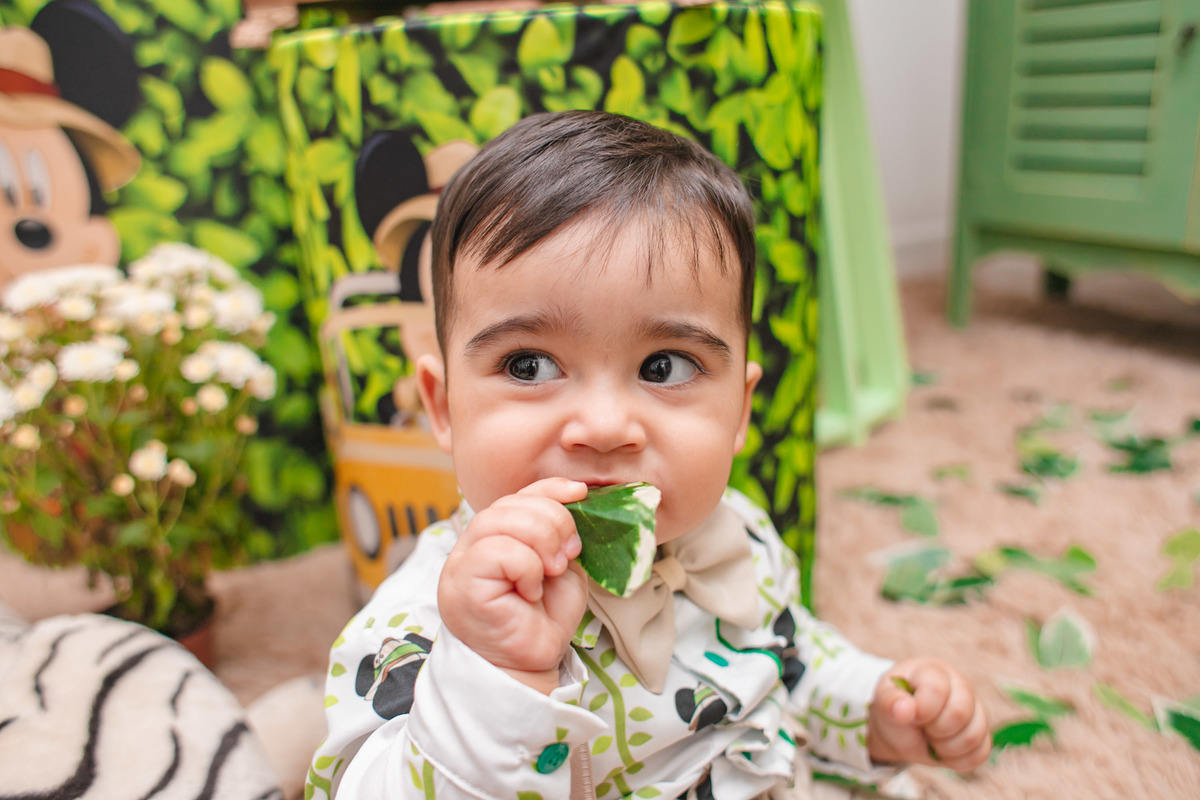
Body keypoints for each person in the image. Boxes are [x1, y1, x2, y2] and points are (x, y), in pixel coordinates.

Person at [308, 110, 990, 800]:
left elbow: (793, 660)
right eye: (528, 365)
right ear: (443, 405)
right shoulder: (424, 618)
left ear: (740, 412)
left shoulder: (736, 536)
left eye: (664, 366)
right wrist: (489, 675)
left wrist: (872, 708)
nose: (605, 427)